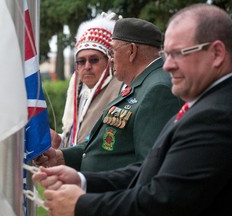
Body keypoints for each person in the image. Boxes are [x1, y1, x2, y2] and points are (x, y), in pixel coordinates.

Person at [33, 3, 232, 216]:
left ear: (217, 53)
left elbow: (164, 199)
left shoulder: (214, 114)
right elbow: (152, 168)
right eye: (167, 54)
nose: (167, 65)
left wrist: (82, 205)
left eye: (178, 54)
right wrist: (83, 180)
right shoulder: (206, 104)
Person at [34, 18, 183, 172]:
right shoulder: (141, 84)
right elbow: (105, 145)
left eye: (113, 51)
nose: (111, 59)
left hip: (115, 194)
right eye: (80, 61)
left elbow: (149, 169)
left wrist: (88, 184)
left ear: (131, 51)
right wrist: (60, 157)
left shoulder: (157, 89)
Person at [50, 14, 123, 148]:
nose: (87, 66)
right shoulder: (77, 89)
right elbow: (75, 141)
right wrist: (58, 141)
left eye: (94, 60)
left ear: (109, 61)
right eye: (81, 61)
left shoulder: (121, 88)